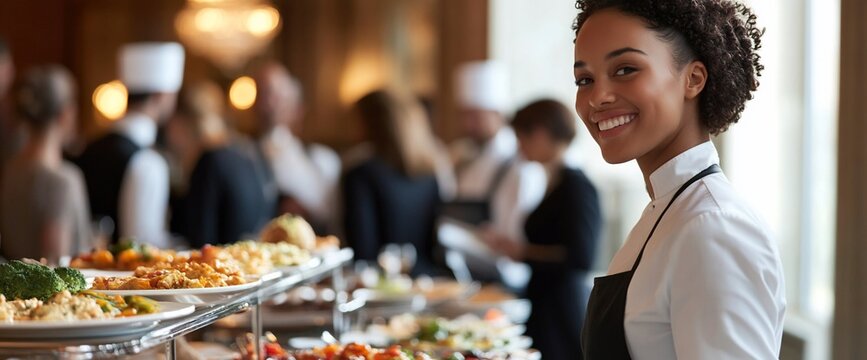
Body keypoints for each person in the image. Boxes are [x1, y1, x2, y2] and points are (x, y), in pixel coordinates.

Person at [572, 1, 786, 358]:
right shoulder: (668, 210)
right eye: (585, 79)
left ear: (693, 79)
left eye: (625, 69)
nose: (598, 97)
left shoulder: (713, 227)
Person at [484, 99, 601, 360]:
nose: (519, 146)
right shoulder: (554, 179)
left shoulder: (576, 187)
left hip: (561, 309)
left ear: (539, 133)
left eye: (520, 137)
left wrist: (523, 252)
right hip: (544, 303)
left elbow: (582, 256)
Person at [442, 60, 547, 285]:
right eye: (464, 115)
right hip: (462, 274)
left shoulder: (520, 166)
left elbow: (518, 241)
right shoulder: (461, 157)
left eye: (475, 116)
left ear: (498, 113)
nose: (467, 124)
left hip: (502, 280)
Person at [76, 42, 184, 248]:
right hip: (124, 277)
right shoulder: (149, 161)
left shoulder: (89, 148)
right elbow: (145, 245)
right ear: (162, 96)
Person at [342, 89, 445, 276]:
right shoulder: (430, 174)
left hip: (381, 286)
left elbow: (363, 250)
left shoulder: (361, 175)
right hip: (428, 281)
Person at [0, 65, 91, 263]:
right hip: (56, 294)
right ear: (65, 114)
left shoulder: (9, 170)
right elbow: (54, 262)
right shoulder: (63, 179)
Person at [164, 81, 269, 247]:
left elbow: (202, 240)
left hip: (222, 267)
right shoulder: (244, 154)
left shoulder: (209, 162)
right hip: (246, 261)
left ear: (179, 123)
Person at [252, 61, 340, 233]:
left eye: (277, 96)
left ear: (297, 108)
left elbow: (332, 218)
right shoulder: (241, 156)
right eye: (261, 95)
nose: (268, 105)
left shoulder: (323, 160)